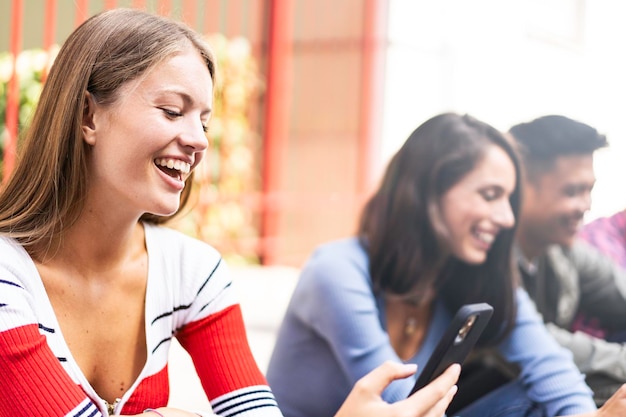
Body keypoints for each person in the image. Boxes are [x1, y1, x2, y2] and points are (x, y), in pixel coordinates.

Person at [0, 8, 466, 417]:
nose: (199, 140)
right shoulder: (8, 275)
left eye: (203, 120)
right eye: (171, 110)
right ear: (88, 116)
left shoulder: (192, 271)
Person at [266, 112, 607, 417]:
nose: (507, 218)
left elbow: (549, 364)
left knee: (532, 398)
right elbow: (400, 403)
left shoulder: (469, 273)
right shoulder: (337, 270)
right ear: (428, 193)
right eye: (490, 195)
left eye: (509, 199)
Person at [509, 115, 626, 406]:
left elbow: (618, 291)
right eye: (572, 191)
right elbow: (542, 343)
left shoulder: (562, 249)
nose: (586, 206)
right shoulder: (485, 259)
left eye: (589, 190)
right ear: (519, 185)